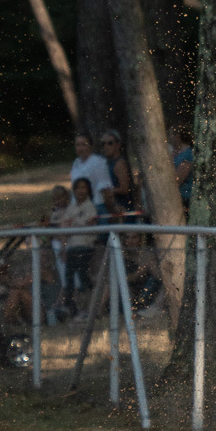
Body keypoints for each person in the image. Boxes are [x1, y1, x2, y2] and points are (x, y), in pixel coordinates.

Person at [59, 177, 99, 315]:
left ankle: (89, 305)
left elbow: (90, 224)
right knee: (69, 277)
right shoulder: (71, 208)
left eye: (84, 187)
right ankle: (70, 307)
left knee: (83, 276)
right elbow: (65, 227)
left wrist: (76, 223)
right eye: (78, 188)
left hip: (84, 246)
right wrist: (63, 247)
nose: (81, 191)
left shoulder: (90, 207)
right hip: (72, 247)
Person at [70, 132, 112, 217]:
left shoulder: (98, 162)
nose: (80, 148)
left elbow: (105, 187)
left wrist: (110, 208)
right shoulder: (76, 163)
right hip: (78, 207)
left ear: (90, 146)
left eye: (84, 144)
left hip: (96, 206)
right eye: (78, 145)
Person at [99, 130, 136, 219]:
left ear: (118, 145)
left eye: (110, 143)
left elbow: (125, 188)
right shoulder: (109, 163)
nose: (106, 146)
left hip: (124, 207)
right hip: (115, 209)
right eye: (103, 143)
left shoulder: (119, 164)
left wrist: (110, 191)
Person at [169, 126, 194, 218]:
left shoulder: (187, 155)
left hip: (184, 199)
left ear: (178, 136)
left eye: (171, 135)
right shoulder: (175, 153)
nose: (169, 138)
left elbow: (178, 180)